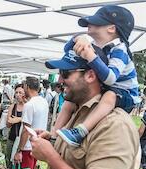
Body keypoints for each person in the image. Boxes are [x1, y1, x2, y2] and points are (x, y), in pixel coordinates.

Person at [54, 5, 139, 147]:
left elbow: (111, 78)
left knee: (110, 96)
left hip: (126, 94)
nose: (89, 24)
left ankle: (81, 131)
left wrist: (90, 56)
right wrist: (78, 38)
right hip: (109, 87)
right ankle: (53, 134)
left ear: (111, 28)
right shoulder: (96, 45)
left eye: (96, 21)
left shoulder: (120, 50)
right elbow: (67, 50)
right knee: (70, 100)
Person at [13, 77, 48, 169]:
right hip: (38, 144)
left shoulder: (29, 105)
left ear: (27, 87)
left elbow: (25, 131)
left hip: (27, 147)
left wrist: (19, 150)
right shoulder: (43, 101)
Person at [5, 84, 26, 169]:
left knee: (19, 163)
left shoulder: (28, 106)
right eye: (16, 92)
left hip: (23, 139)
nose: (18, 95)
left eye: (20, 92)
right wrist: (11, 121)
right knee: (9, 160)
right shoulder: (12, 107)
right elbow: (8, 124)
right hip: (12, 137)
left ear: (25, 94)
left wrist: (19, 119)